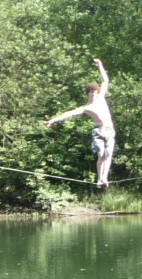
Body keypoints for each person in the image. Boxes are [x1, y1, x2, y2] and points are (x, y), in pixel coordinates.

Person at [44, 58, 116, 187]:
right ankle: (99, 179)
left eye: (95, 93)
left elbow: (105, 81)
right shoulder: (86, 108)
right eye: (91, 93)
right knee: (101, 154)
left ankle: (104, 178)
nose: (94, 95)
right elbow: (69, 113)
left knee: (108, 153)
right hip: (98, 131)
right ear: (88, 94)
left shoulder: (101, 98)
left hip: (109, 130)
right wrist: (53, 120)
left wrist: (100, 66)